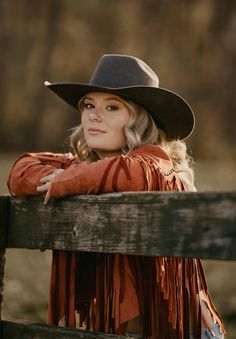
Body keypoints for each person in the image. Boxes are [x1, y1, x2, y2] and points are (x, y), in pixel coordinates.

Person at [7, 54, 225, 339]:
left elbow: (132, 172)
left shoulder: (157, 164)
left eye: (112, 107)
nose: (94, 116)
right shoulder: (81, 168)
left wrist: (69, 179)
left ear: (139, 121)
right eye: (88, 105)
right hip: (119, 333)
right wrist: (64, 177)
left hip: (183, 331)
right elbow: (21, 171)